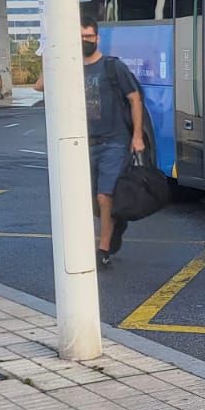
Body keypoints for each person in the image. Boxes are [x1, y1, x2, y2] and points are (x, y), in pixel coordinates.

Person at [77, 19, 144, 268]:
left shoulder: (112, 67)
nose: (85, 41)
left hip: (114, 142)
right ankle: (115, 223)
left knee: (105, 196)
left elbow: (135, 99)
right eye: (80, 37)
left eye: (89, 37)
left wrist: (137, 136)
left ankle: (103, 249)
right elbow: (39, 85)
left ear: (97, 38)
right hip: (84, 144)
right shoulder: (71, 68)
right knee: (92, 200)